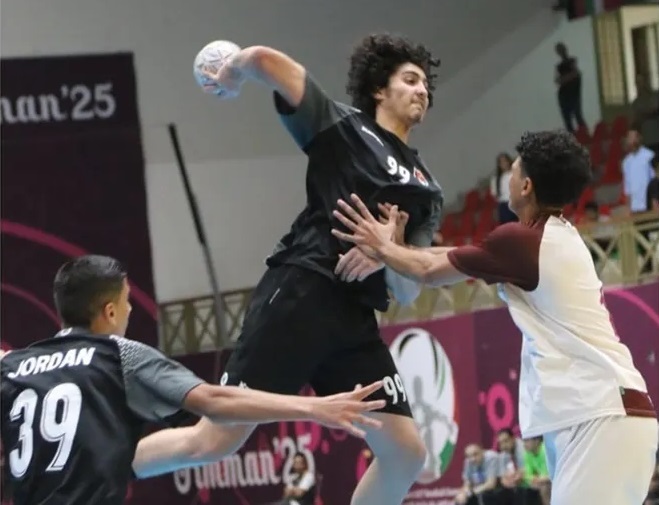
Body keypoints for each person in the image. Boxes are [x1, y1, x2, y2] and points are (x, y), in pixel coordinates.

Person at [132, 34, 444, 505]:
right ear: (380, 89)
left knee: (405, 454)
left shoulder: (428, 190)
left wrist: (390, 249)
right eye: (411, 80)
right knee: (213, 440)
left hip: (354, 323)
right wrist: (235, 69)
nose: (422, 90)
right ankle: (97, 466)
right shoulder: (343, 127)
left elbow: (406, 290)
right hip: (300, 297)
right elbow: (267, 61)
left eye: (425, 85)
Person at [331, 129, 658, 504]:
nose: (508, 180)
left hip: (603, 417)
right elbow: (450, 256)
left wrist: (381, 246)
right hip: (599, 416)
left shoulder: (523, 241)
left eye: (513, 172)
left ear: (526, 186)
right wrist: (397, 249)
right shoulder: (546, 238)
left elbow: (427, 271)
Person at [0, 255, 386, 505]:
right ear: (111, 310)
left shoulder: (13, 367)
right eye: (128, 300)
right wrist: (314, 407)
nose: (131, 308)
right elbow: (215, 402)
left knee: (197, 443)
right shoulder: (118, 354)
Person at [554, 43, 586, 133]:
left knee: (578, 117)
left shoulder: (572, 62)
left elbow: (576, 74)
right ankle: (574, 138)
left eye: (562, 49)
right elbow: (557, 81)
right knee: (568, 121)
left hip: (574, 94)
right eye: (559, 51)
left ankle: (585, 136)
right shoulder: (559, 66)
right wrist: (565, 78)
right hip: (564, 96)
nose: (561, 52)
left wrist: (564, 79)